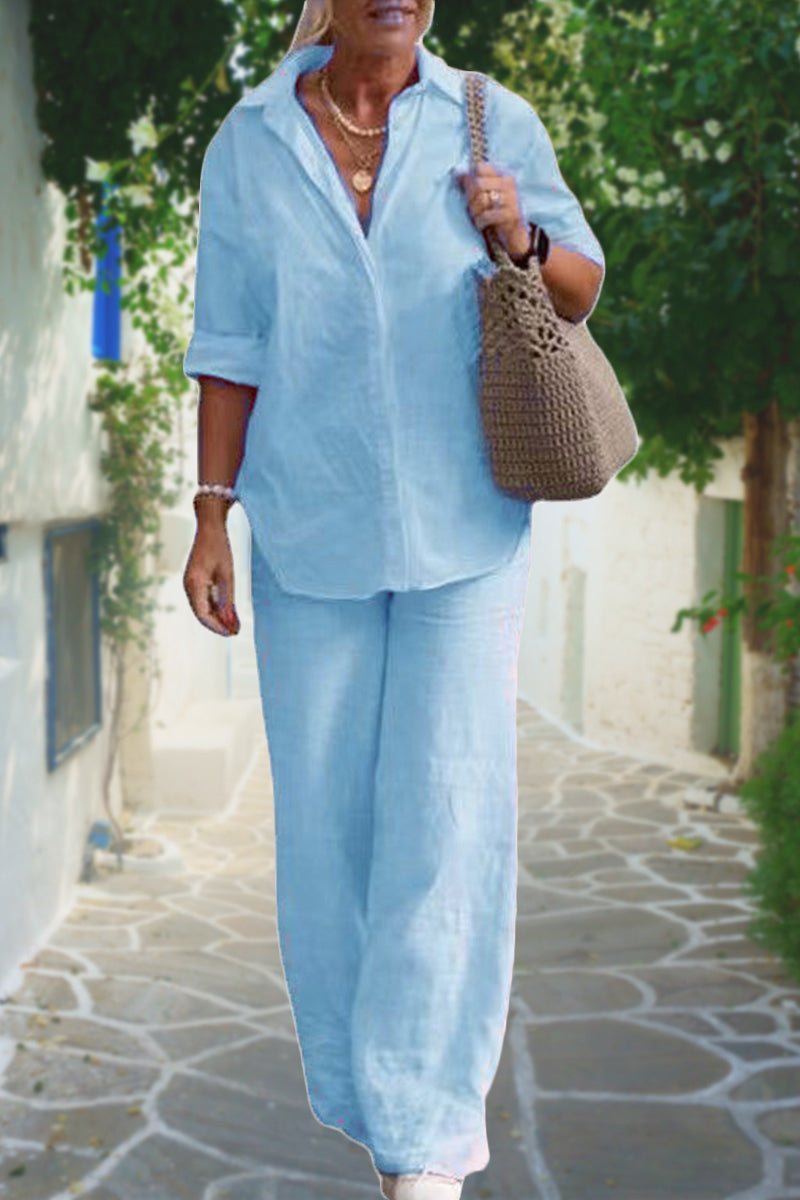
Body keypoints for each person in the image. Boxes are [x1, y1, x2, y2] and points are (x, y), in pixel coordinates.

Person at [182, 2, 604, 1196]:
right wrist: (211, 513)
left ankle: (424, 1141)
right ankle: (373, 1096)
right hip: (307, 527)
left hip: (466, 526)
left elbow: (578, 285)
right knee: (327, 828)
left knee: (447, 819)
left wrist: (516, 231)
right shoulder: (249, 142)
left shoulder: (487, 118)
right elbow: (228, 342)